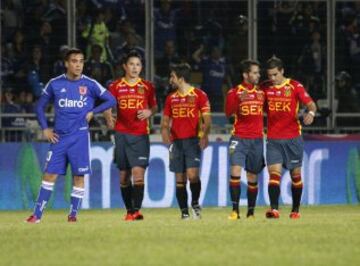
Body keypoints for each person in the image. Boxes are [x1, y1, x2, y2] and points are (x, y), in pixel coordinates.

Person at [25, 48, 116, 223]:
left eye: (81, 61)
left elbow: (111, 100)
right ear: (66, 63)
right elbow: (39, 107)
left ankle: (73, 215)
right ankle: (36, 215)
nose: (78, 65)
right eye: (74, 61)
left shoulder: (90, 84)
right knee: (49, 175)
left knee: (78, 177)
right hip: (59, 138)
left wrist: (93, 111)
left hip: (80, 138)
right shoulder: (55, 83)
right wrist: (45, 128)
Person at [261, 56, 317, 219]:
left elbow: (311, 104)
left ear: (282, 71)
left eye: (275, 75)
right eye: (269, 75)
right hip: (273, 138)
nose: (272, 79)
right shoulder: (264, 88)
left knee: (295, 176)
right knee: (274, 174)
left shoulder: (294, 86)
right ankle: (274, 210)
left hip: (293, 138)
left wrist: (311, 113)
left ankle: (295, 210)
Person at [105, 50, 157, 221]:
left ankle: (135, 211)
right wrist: (108, 118)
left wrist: (150, 112)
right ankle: (129, 210)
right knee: (124, 176)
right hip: (121, 134)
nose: (135, 68)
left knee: (138, 173)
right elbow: (107, 104)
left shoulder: (147, 86)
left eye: (138, 65)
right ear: (125, 67)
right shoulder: (115, 86)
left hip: (140, 135)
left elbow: (154, 107)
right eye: (132, 64)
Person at [161, 63, 211, 220]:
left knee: (192, 175)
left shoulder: (199, 95)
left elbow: (207, 120)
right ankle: (184, 212)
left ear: (181, 79)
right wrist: (164, 133)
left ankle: (195, 203)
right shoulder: (171, 98)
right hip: (177, 143)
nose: (170, 80)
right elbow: (165, 120)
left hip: (192, 141)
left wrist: (204, 135)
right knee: (179, 178)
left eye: (172, 77)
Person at [225, 59, 265, 219]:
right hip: (239, 138)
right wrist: (239, 100)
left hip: (256, 139)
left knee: (252, 176)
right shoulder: (234, 93)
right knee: (235, 171)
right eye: (255, 72)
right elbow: (228, 113)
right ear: (245, 74)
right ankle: (235, 211)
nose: (258, 75)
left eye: (258, 73)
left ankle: (251, 213)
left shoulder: (262, 93)